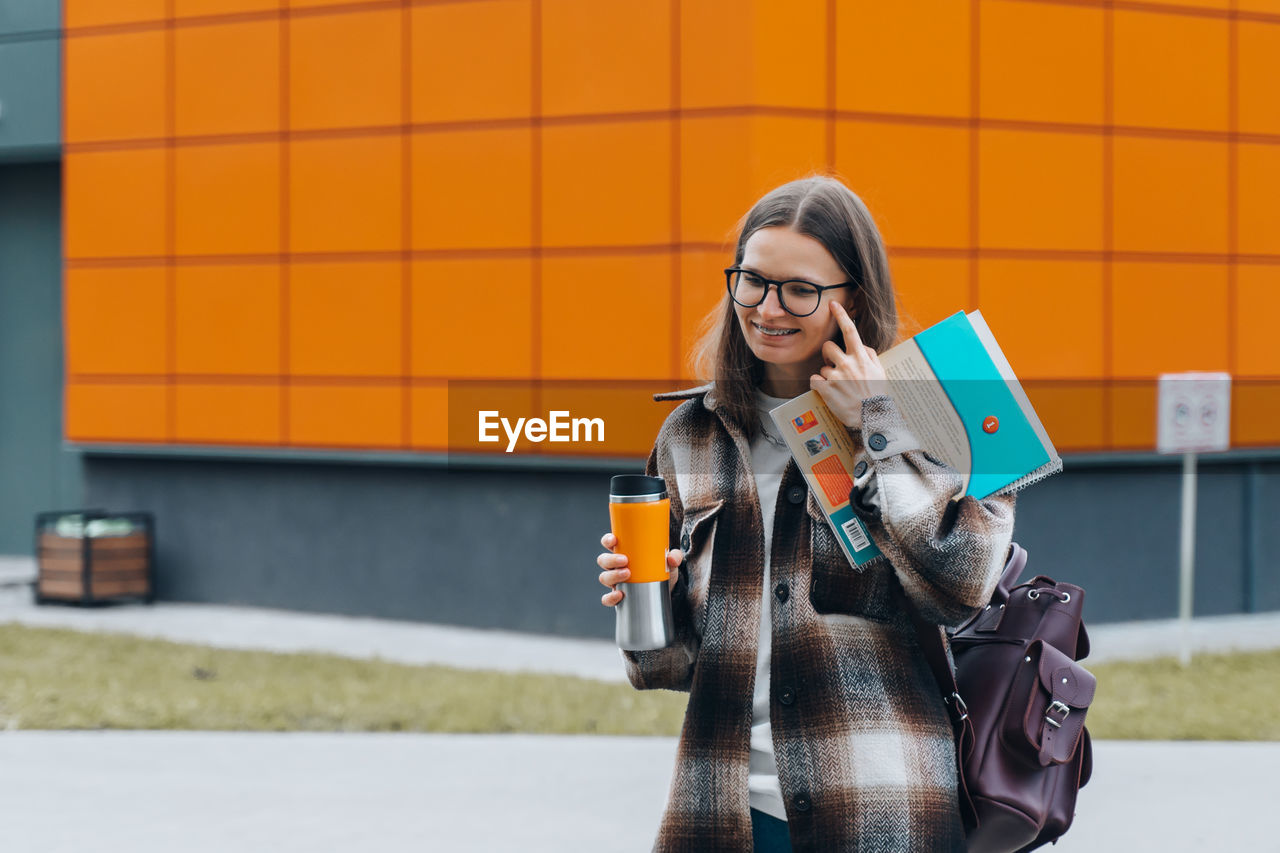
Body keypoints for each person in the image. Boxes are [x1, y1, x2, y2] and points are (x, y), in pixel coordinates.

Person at [595, 176, 1016, 852]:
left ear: (855, 297)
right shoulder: (690, 434)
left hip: (876, 811)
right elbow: (666, 666)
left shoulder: (939, 412)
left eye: (800, 289)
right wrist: (643, 598)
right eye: (752, 281)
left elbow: (962, 584)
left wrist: (876, 427)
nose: (768, 308)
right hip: (721, 814)